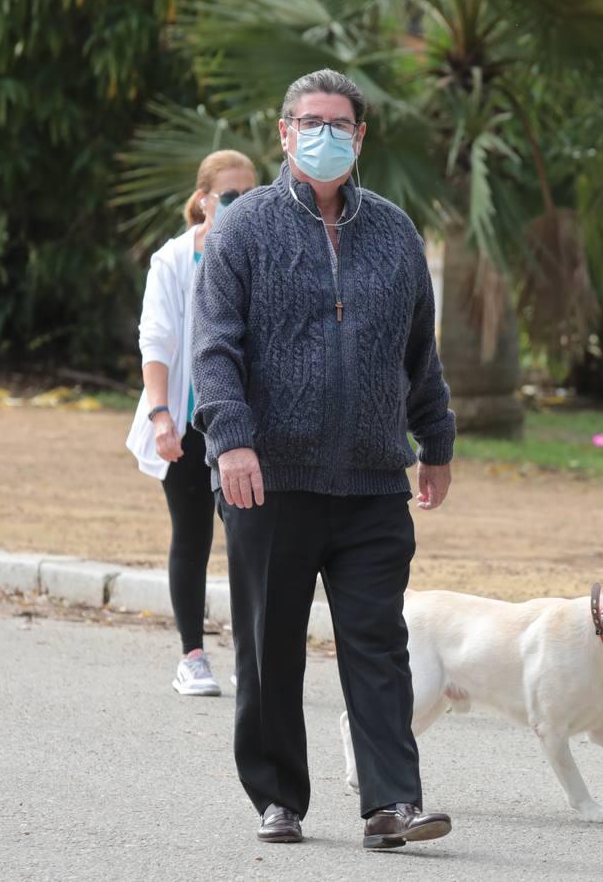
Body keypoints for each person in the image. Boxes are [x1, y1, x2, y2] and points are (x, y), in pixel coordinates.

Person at [191, 68, 456, 848]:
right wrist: (231, 438)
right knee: (271, 645)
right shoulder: (246, 227)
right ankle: (278, 798)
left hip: (374, 478)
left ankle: (391, 805)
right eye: (310, 121)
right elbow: (215, 349)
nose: (325, 134)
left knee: (379, 645)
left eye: (340, 123)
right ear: (283, 132)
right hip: (270, 479)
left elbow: (419, 352)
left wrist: (434, 439)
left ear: (361, 135)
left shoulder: (396, 233)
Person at [126, 149, 258, 697]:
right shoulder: (174, 260)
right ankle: (193, 656)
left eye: (250, 196)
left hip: (242, 425)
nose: (240, 206)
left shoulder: (261, 256)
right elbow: (156, 340)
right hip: (185, 421)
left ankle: (251, 659)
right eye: (230, 196)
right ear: (204, 199)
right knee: (193, 533)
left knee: (250, 539)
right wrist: (161, 416)